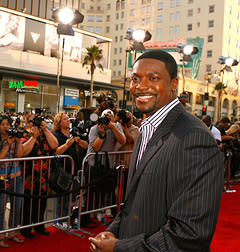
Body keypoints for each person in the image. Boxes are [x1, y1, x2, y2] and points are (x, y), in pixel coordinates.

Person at [90, 50, 223, 252]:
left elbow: (189, 236)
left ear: (174, 84)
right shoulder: (147, 129)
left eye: (153, 78)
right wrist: (115, 231)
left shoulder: (194, 137)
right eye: (135, 78)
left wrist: (119, 248)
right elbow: (135, 201)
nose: (141, 86)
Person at [20, 113, 58, 239]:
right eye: (31, 121)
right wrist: (33, 137)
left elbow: (54, 145)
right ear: (27, 123)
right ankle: (25, 228)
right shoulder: (23, 134)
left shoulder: (45, 134)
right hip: (29, 175)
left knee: (42, 202)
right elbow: (23, 152)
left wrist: (45, 129)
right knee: (28, 203)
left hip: (44, 174)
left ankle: (39, 225)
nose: (34, 124)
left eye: (36, 121)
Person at [0, 115, 24, 248]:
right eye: (3, 124)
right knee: (0, 208)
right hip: (1, 178)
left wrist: (19, 141)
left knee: (17, 206)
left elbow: (20, 156)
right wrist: (7, 144)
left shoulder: (15, 139)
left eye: (8, 124)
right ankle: (0, 236)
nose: (6, 127)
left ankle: (12, 232)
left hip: (17, 176)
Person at [52, 112, 88, 221]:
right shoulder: (56, 135)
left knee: (74, 198)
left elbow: (86, 145)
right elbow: (56, 151)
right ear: (59, 122)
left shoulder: (74, 132)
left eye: (68, 119)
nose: (68, 120)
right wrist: (67, 144)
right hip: (63, 170)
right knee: (62, 198)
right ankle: (61, 220)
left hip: (76, 169)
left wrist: (79, 141)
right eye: (65, 119)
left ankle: (70, 219)